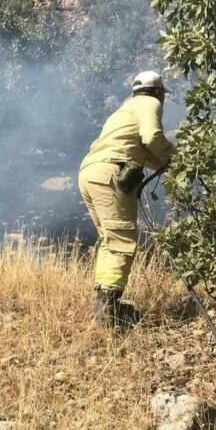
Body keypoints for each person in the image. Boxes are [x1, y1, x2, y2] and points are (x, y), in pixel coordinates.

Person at [78, 70, 175, 328]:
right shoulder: (150, 103)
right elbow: (152, 138)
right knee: (121, 241)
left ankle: (107, 304)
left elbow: (142, 149)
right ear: (157, 92)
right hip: (111, 172)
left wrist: (162, 163)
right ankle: (108, 311)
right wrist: (174, 156)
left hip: (90, 172)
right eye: (162, 94)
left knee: (110, 240)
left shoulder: (124, 110)